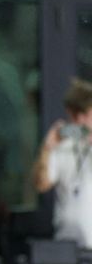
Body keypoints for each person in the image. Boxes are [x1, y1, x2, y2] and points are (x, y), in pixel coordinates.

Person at [33, 78, 92, 249]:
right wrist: (47, 148)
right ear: (69, 113)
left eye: (86, 114)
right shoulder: (61, 145)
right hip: (67, 245)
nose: (81, 121)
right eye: (75, 115)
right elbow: (41, 184)